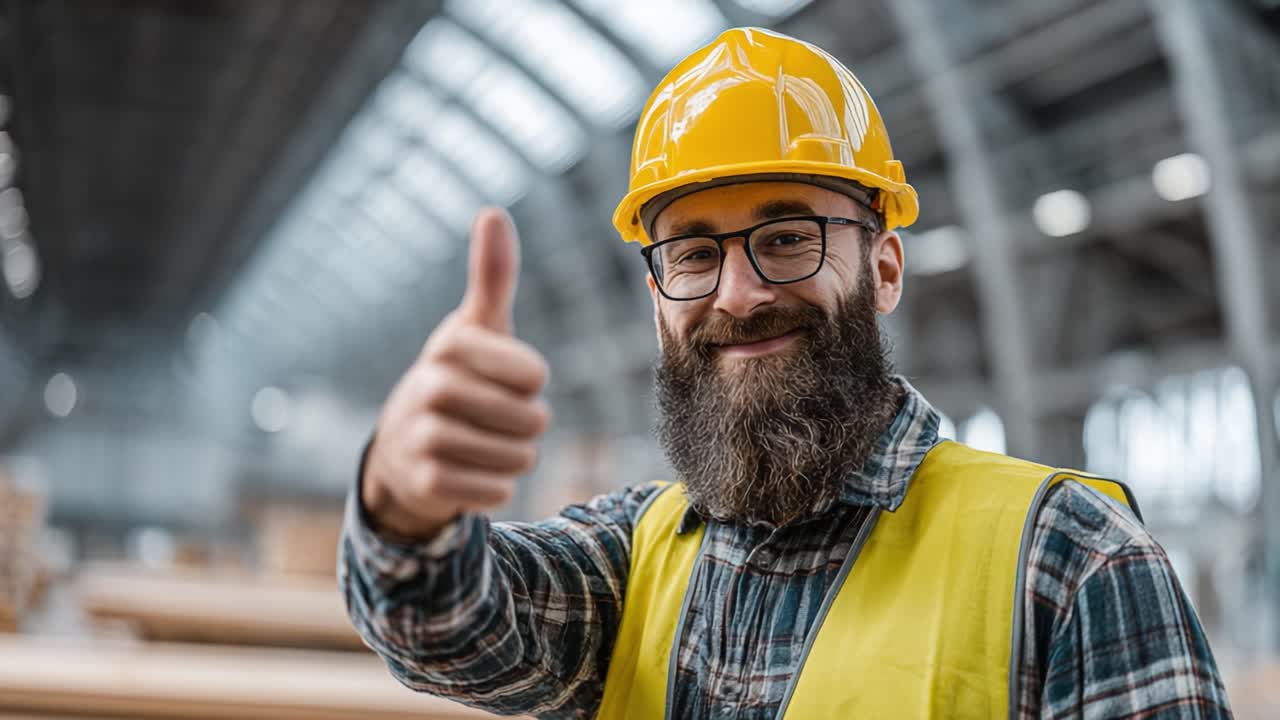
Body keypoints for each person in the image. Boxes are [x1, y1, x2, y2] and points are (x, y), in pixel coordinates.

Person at [339, 27, 1231, 719]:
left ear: (884, 268)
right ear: (656, 300)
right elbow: (450, 628)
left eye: (788, 238)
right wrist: (401, 502)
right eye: (694, 254)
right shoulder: (629, 560)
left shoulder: (1074, 564)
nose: (739, 294)